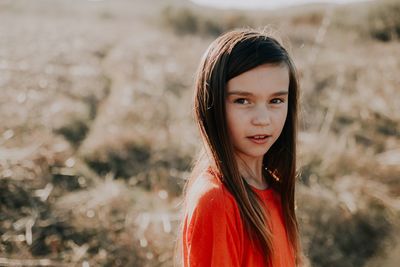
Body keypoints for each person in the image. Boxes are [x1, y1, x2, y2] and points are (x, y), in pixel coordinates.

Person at [175, 28, 303, 267]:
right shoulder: (217, 201)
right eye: (243, 100)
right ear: (211, 105)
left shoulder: (273, 187)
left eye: (276, 100)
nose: (263, 119)